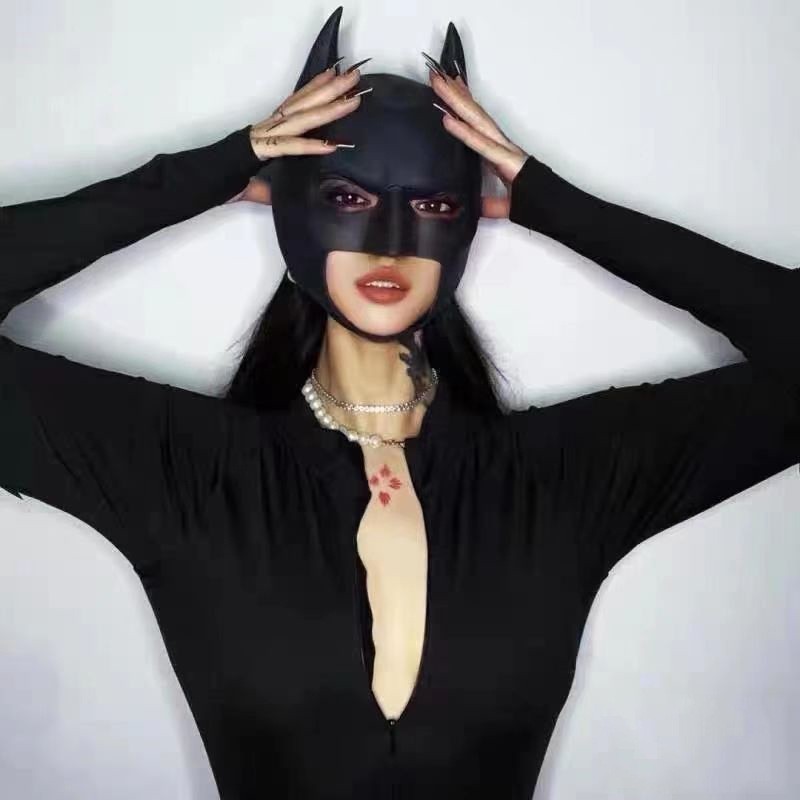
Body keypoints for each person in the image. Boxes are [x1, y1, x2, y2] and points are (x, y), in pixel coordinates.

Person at [1, 7, 797, 799]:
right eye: (347, 199)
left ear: (469, 222)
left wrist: (552, 203)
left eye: (434, 206)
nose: (389, 241)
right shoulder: (187, 476)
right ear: (290, 207)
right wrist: (217, 168)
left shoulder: (562, 481)